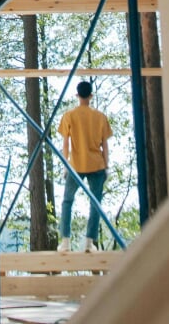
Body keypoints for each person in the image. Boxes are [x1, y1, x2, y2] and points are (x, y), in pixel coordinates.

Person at [57, 80, 112, 252]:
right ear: (91, 96)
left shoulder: (69, 115)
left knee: (67, 201)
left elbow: (66, 143)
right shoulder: (100, 117)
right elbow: (105, 144)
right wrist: (107, 166)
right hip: (96, 164)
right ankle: (89, 242)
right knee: (95, 204)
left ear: (77, 95)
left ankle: (65, 241)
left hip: (75, 164)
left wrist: (65, 164)